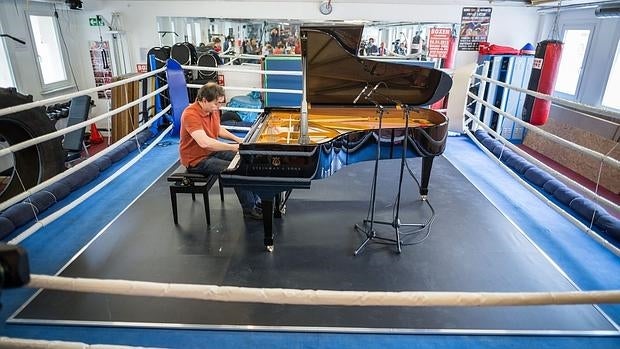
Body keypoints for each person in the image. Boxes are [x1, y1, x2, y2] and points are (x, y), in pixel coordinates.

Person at [179, 82, 262, 219]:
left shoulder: (212, 110)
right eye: (216, 104)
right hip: (197, 160)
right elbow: (204, 142)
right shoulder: (190, 115)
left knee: (246, 158)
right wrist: (231, 146)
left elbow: (218, 129)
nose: (219, 107)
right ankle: (250, 209)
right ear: (204, 100)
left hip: (210, 151)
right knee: (237, 170)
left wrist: (238, 140)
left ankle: (258, 201)